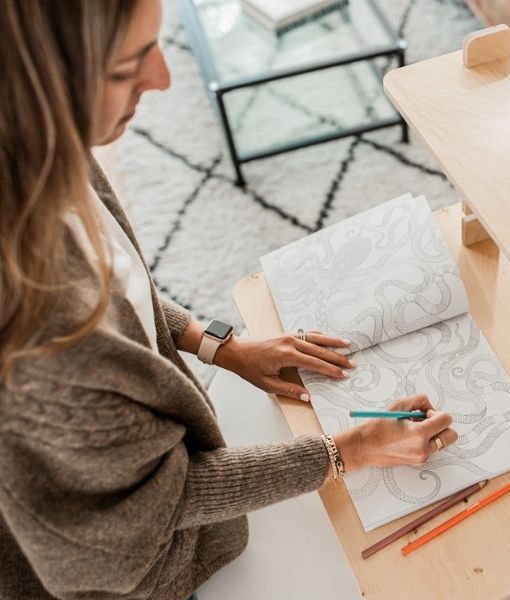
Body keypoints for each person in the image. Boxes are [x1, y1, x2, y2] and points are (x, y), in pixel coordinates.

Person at [0, 1, 458, 598]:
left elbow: (116, 296)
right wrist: (350, 449)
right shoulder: (41, 346)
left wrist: (218, 344)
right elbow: (162, 503)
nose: (164, 77)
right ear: (41, 82)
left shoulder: (38, 148)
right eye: (127, 67)